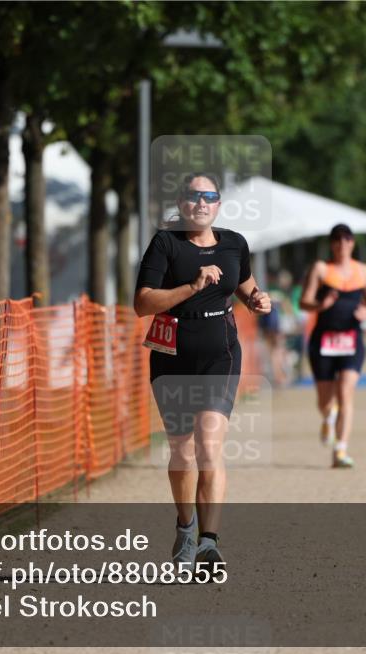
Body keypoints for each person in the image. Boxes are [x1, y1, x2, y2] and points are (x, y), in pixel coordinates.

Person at [134, 173, 271, 575]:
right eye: (193, 197)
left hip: (221, 354)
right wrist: (191, 287)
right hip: (171, 353)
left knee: (209, 445)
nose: (201, 203)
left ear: (218, 204)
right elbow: (143, 303)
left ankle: (209, 544)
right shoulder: (165, 243)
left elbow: (246, 287)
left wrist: (258, 300)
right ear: (181, 202)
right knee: (182, 450)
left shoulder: (234, 244)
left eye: (209, 196)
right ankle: (186, 528)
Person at [299, 224, 366, 468]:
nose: (342, 245)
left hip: (352, 340)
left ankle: (341, 450)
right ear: (331, 244)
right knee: (325, 401)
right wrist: (320, 306)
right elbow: (304, 301)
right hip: (323, 341)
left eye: (346, 240)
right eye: (337, 240)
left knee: (346, 392)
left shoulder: (364, 271)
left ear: (352, 243)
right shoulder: (322, 269)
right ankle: (328, 417)